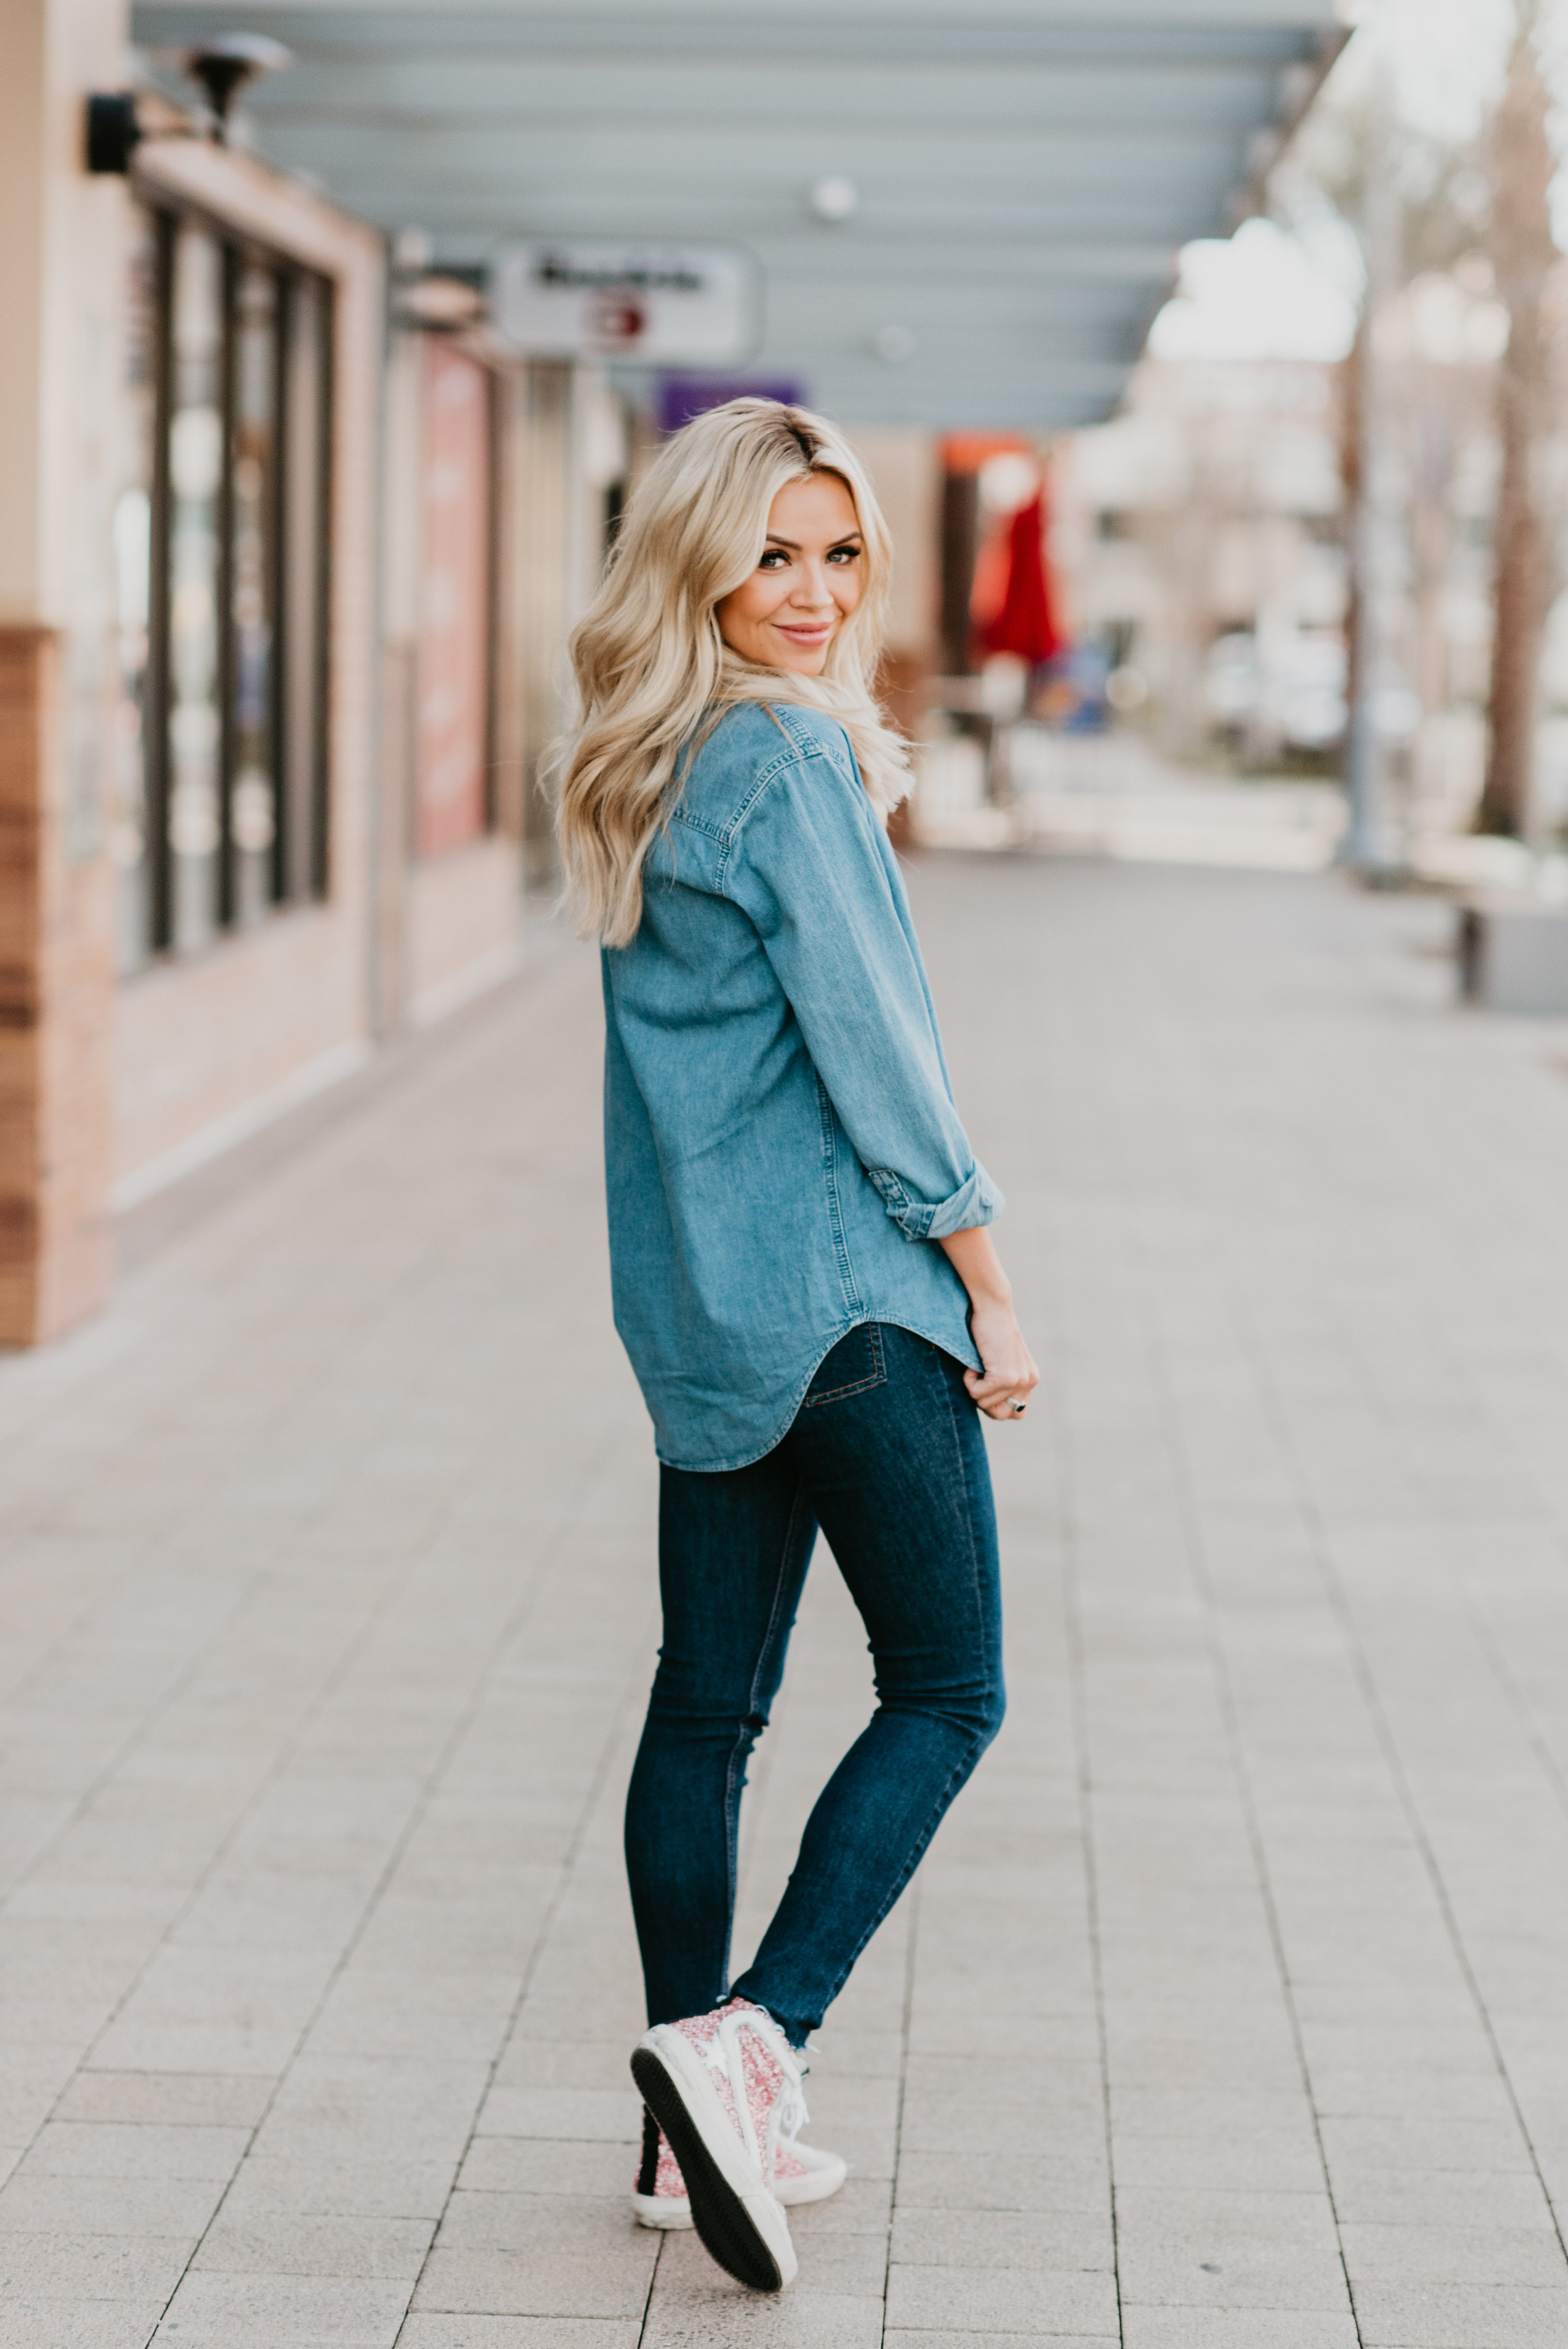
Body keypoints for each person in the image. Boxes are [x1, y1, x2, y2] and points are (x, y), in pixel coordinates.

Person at [555, 399, 1038, 2294]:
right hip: (846, 1303)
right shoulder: (778, 767)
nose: (815, 592)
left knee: (708, 1709)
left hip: (701, 1313)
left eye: (840, 553)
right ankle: (755, 2045)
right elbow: (884, 1066)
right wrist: (986, 1280)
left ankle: (684, 2146)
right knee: (948, 1692)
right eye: (772, 556)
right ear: (698, 565)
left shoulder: (638, 758)